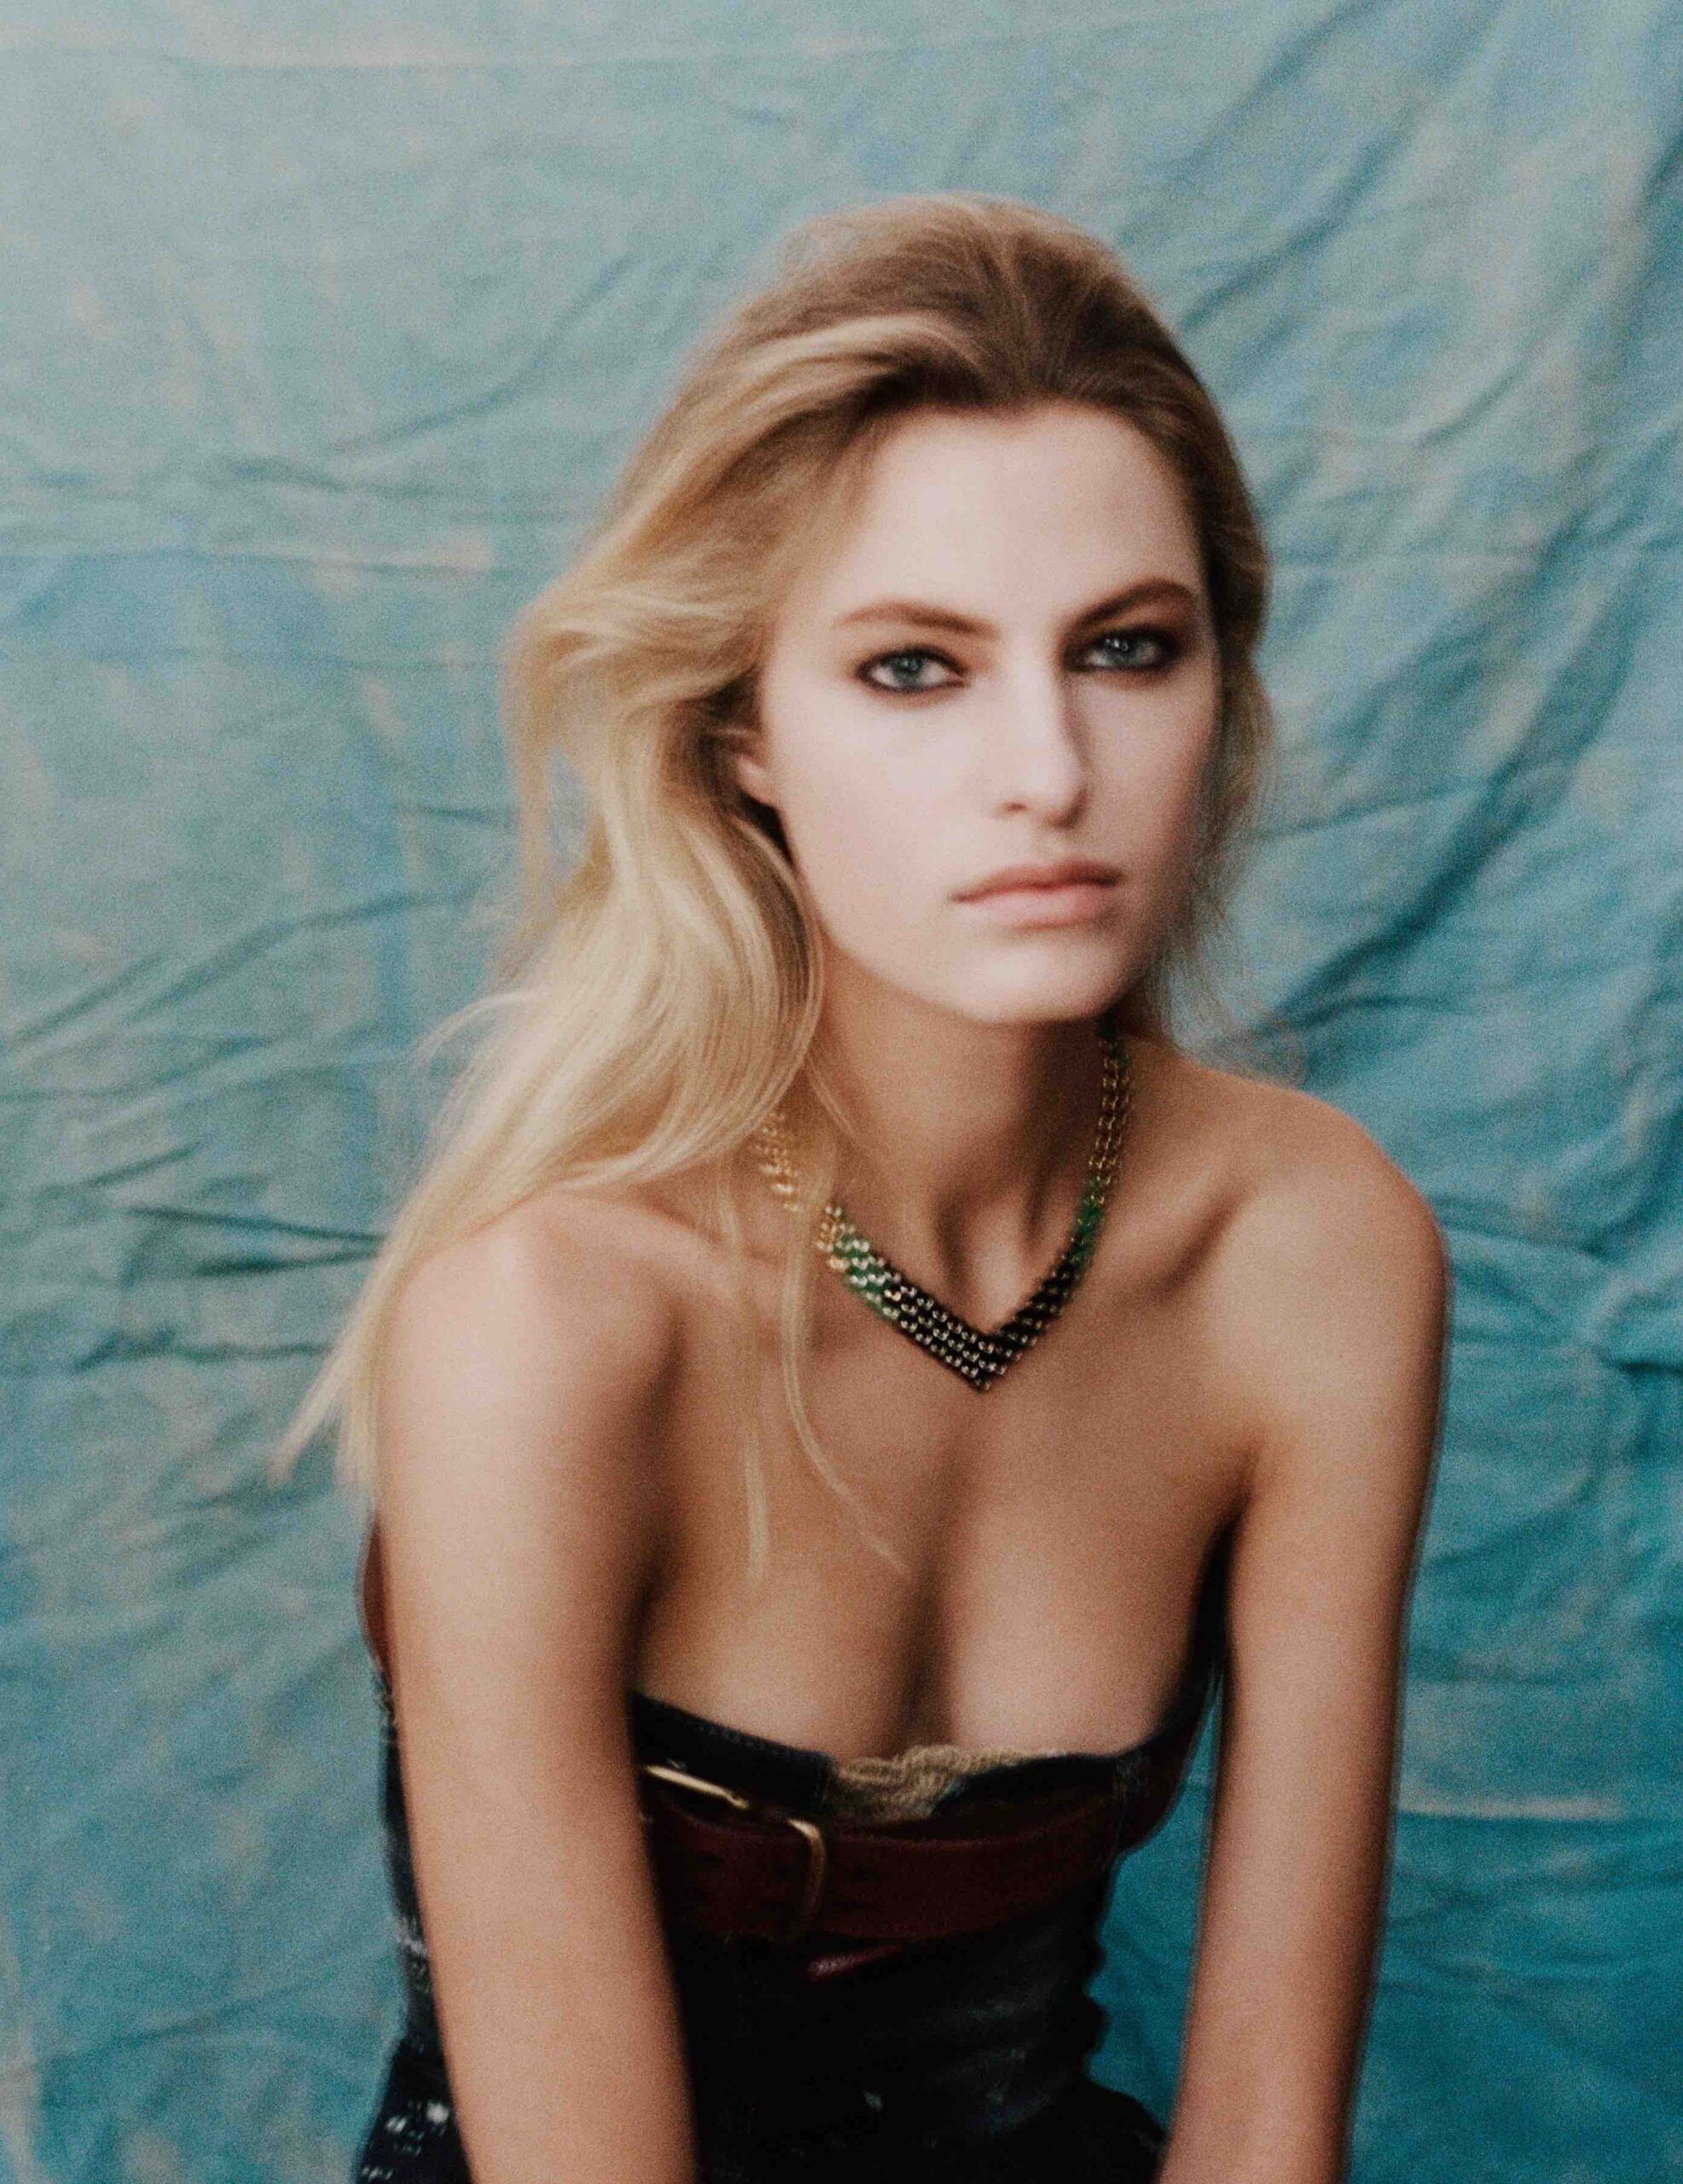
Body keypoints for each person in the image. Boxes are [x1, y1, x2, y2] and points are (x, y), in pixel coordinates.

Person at [276, 191, 1448, 2184]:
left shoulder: (1313, 1248)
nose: (1048, 768)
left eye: (1127, 650)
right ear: (744, 732)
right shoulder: (553, 1325)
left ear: (1218, 685)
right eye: (916, 668)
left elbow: (1269, 2134)